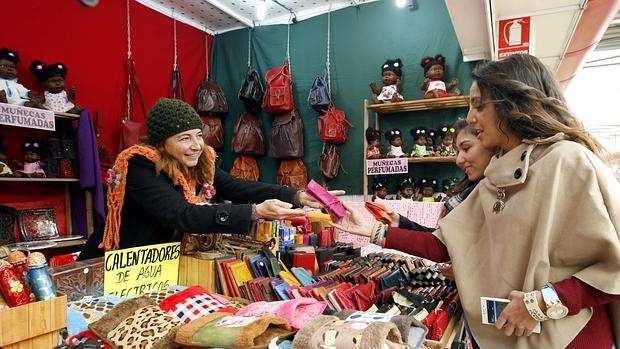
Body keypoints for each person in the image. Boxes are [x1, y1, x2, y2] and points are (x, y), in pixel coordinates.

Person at [334, 54, 620, 349]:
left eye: (479, 105)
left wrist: (541, 304)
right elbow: (444, 245)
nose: (471, 118)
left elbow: (612, 268)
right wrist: (370, 229)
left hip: (572, 340)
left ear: (512, 105)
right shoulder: (494, 178)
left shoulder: (568, 161)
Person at [79, 98, 341, 259]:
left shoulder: (198, 165)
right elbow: (182, 214)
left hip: (157, 266)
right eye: (185, 138)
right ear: (162, 143)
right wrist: (254, 212)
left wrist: (297, 195)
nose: (196, 145)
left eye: (198, 135)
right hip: (113, 265)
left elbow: (237, 186)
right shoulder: (140, 166)